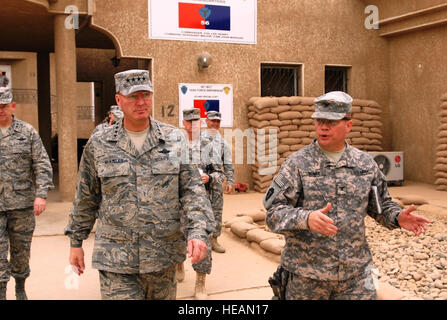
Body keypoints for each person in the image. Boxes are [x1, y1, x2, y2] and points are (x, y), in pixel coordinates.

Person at [264, 91, 430, 300]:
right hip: (307, 276)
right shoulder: (296, 164)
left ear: (348, 125)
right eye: (319, 121)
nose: (323, 127)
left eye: (331, 122)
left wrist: (397, 217)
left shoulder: (365, 164)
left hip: (356, 275)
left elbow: (380, 207)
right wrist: (306, 218)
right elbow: (273, 213)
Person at [64, 70, 215, 300]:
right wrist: (76, 241)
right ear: (118, 100)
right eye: (133, 96)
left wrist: (197, 231)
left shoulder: (174, 139)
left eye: (146, 94)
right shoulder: (100, 144)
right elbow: (86, 196)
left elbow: (192, 190)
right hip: (116, 259)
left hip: (162, 257)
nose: (141, 102)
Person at [0, 87, 54, 300]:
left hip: (21, 205)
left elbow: (41, 163)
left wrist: (41, 194)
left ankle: (20, 286)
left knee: (21, 251)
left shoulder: (27, 132)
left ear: (12, 106)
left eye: (4, 106)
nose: (0, 111)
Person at [176, 108, 222, 299]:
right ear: (184, 123)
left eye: (197, 121)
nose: (194, 125)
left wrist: (209, 178)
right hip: (178, 203)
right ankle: (178, 264)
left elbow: (220, 174)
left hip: (203, 202)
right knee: (176, 237)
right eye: (190, 121)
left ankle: (200, 282)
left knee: (203, 241)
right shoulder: (174, 145)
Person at [200, 111, 234, 253]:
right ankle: (200, 241)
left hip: (216, 183)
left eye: (217, 122)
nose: (214, 124)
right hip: (200, 182)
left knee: (217, 212)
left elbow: (228, 164)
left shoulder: (223, 143)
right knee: (200, 211)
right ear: (206, 121)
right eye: (212, 121)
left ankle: (214, 240)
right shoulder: (197, 140)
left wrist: (230, 181)